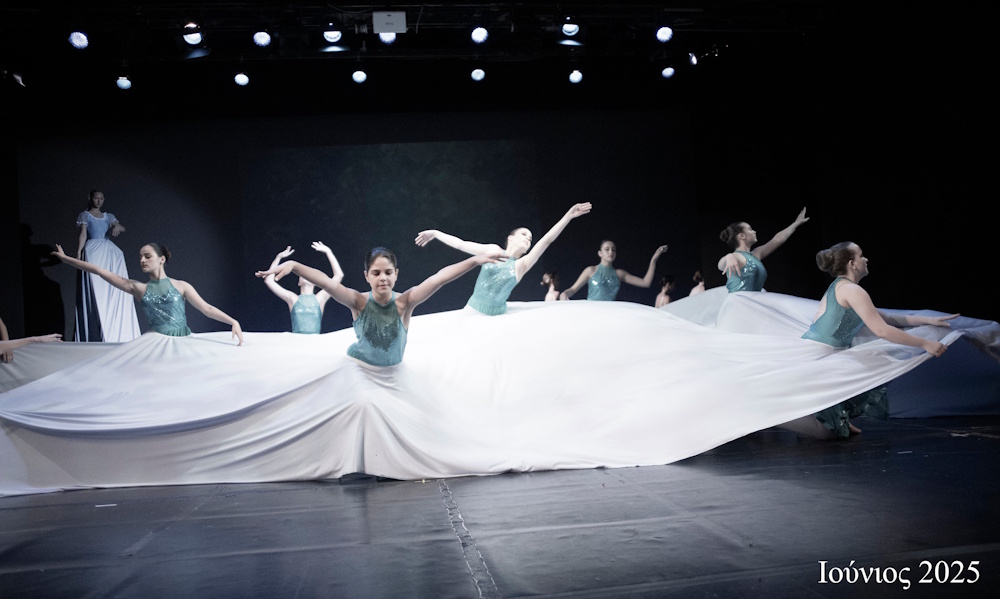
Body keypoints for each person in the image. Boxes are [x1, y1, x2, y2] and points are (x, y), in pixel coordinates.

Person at [793, 241, 958, 438]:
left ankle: (838, 421)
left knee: (838, 426)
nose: (866, 259)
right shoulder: (852, 291)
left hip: (827, 353)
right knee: (828, 432)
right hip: (819, 355)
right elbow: (882, 330)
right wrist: (925, 343)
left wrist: (928, 319)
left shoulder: (843, 287)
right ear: (852, 264)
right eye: (861, 255)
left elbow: (887, 317)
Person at [256, 246, 505, 366]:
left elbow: (439, 278)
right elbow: (328, 283)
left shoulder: (405, 302)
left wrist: (474, 261)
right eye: (376, 273)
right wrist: (295, 266)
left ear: (396, 274)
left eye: (388, 272)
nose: (382, 278)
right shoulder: (358, 301)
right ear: (367, 276)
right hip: (360, 368)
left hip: (393, 372)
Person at [414, 203, 592, 315]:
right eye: (524, 234)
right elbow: (461, 244)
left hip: (498, 319)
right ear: (510, 238)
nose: (528, 239)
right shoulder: (493, 250)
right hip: (472, 312)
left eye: (530, 238)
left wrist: (568, 216)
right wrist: (435, 233)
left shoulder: (522, 265)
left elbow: (547, 240)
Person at [51, 243, 244, 345]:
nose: (142, 260)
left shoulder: (181, 286)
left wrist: (233, 321)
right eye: (140, 257)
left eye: (147, 256)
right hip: (155, 343)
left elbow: (207, 309)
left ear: (161, 259)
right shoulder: (138, 288)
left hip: (184, 341)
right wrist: (67, 259)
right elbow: (100, 271)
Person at [73, 189, 142, 342]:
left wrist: (117, 227)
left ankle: (116, 327)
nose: (98, 201)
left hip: (109, 251)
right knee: (96, 284)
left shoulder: (108, 216)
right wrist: (78, 252)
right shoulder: (85, 215)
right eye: (96, 198)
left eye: (101, 198)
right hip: (93, 250)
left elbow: (121, 227)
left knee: (115, 285)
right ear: (90, 198)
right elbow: (83, 234)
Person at [717, 207, 809, 293]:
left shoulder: (756, 254)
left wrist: (796, 223)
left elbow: (777, 240)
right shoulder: (736, 256)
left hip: (754, 301)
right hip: (740, 305)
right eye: (750, 229)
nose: (754, 231)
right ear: (742, 236)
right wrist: (728, 257)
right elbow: (720, 265)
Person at [262, 242, 344, 334]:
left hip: (314, 343)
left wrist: (328, 252)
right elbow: (268, 281)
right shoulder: (292, 298)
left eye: (309, 275)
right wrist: (278, 258)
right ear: (298, 282)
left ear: (315, 281)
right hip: (297, 343)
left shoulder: (320, 298)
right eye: (302, 274)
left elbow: (339, 276)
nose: (306, 275)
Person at [559, 241, 669, 301]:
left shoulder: (619, 273)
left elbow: (646, 283)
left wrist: (654, 259)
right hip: (592, 313)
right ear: (600, 253)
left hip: (610, 313)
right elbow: (573, 289)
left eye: (613, 249)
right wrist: (564, 293)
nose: (610, 252)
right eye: (607, 249)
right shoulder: (590, 270)